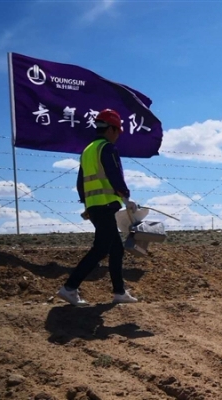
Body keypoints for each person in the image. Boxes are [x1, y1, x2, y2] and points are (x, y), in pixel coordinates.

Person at [56, 109, 138, 306]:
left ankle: (119, 292)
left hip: (95, 206)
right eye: (117, 130)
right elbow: (114, 174)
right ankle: (69, 288)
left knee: (116, 249)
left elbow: (80, 182)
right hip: (106, 204)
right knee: (101, 248)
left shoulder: (88, 150)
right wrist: (126, 199)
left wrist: (87, 205)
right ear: (110, 129)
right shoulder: (107, 148)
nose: (118, 135)